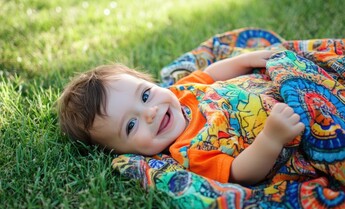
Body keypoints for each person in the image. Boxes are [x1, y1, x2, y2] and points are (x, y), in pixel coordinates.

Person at [58, 50, 305, 185]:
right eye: (131, 125)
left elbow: (210, 74)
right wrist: (271, 138)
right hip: (290, 124)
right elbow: (241, 172)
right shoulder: (189, 151)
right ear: (124, 151)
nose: (150, 112)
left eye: (145, 95)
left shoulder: (180, 90)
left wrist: (244, 60)